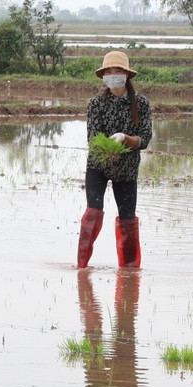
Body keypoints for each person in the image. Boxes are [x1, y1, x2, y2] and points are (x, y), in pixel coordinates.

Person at [78, 51, 152, 268]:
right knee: (93, 211)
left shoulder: (141, 104)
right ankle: (81, 267)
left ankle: (129, 272)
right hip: (98, 165)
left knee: (128, 218)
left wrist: (124, 138)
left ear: (126, 75)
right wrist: (108, 150)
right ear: (103, 76)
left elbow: (144, 139)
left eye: (117, 71)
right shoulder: (96, 104)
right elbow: (93, 139)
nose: (113, 75)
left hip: (127, 169)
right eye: (108, 72)